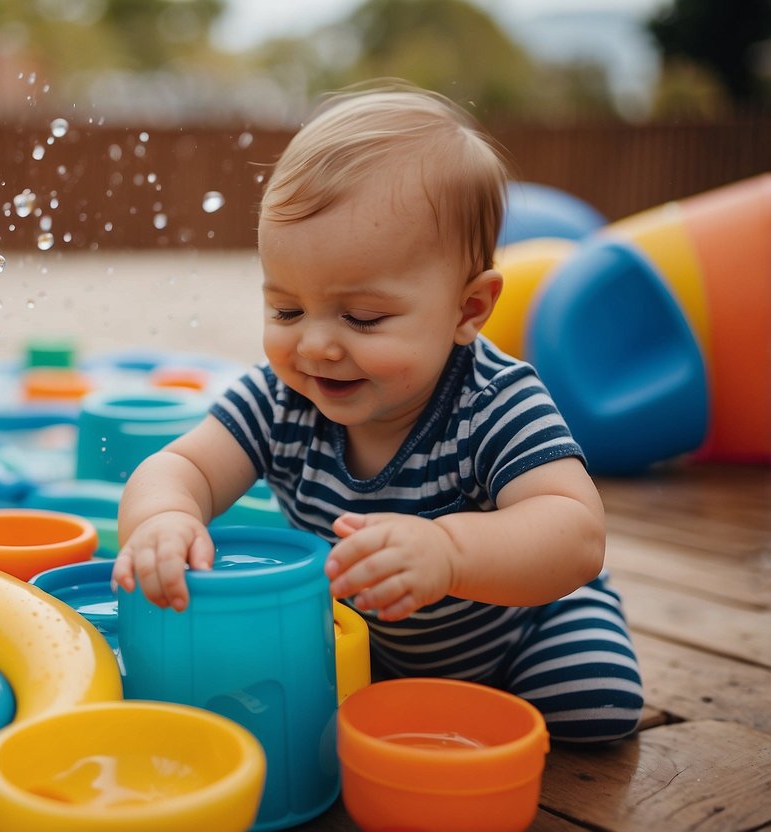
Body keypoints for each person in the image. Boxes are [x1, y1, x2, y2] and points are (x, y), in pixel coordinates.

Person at [113, 81, 643, 744]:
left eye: (362, 317)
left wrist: (448, 552)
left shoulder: (494, 401)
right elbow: (180, 465)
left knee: (592, 707)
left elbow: (574, 533)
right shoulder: (281, 400)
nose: (313, 344)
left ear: (467, 310)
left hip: (520, 625)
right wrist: (164, 518)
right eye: (286, 309)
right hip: (370, 640)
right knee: (261, 706)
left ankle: (569, 635)